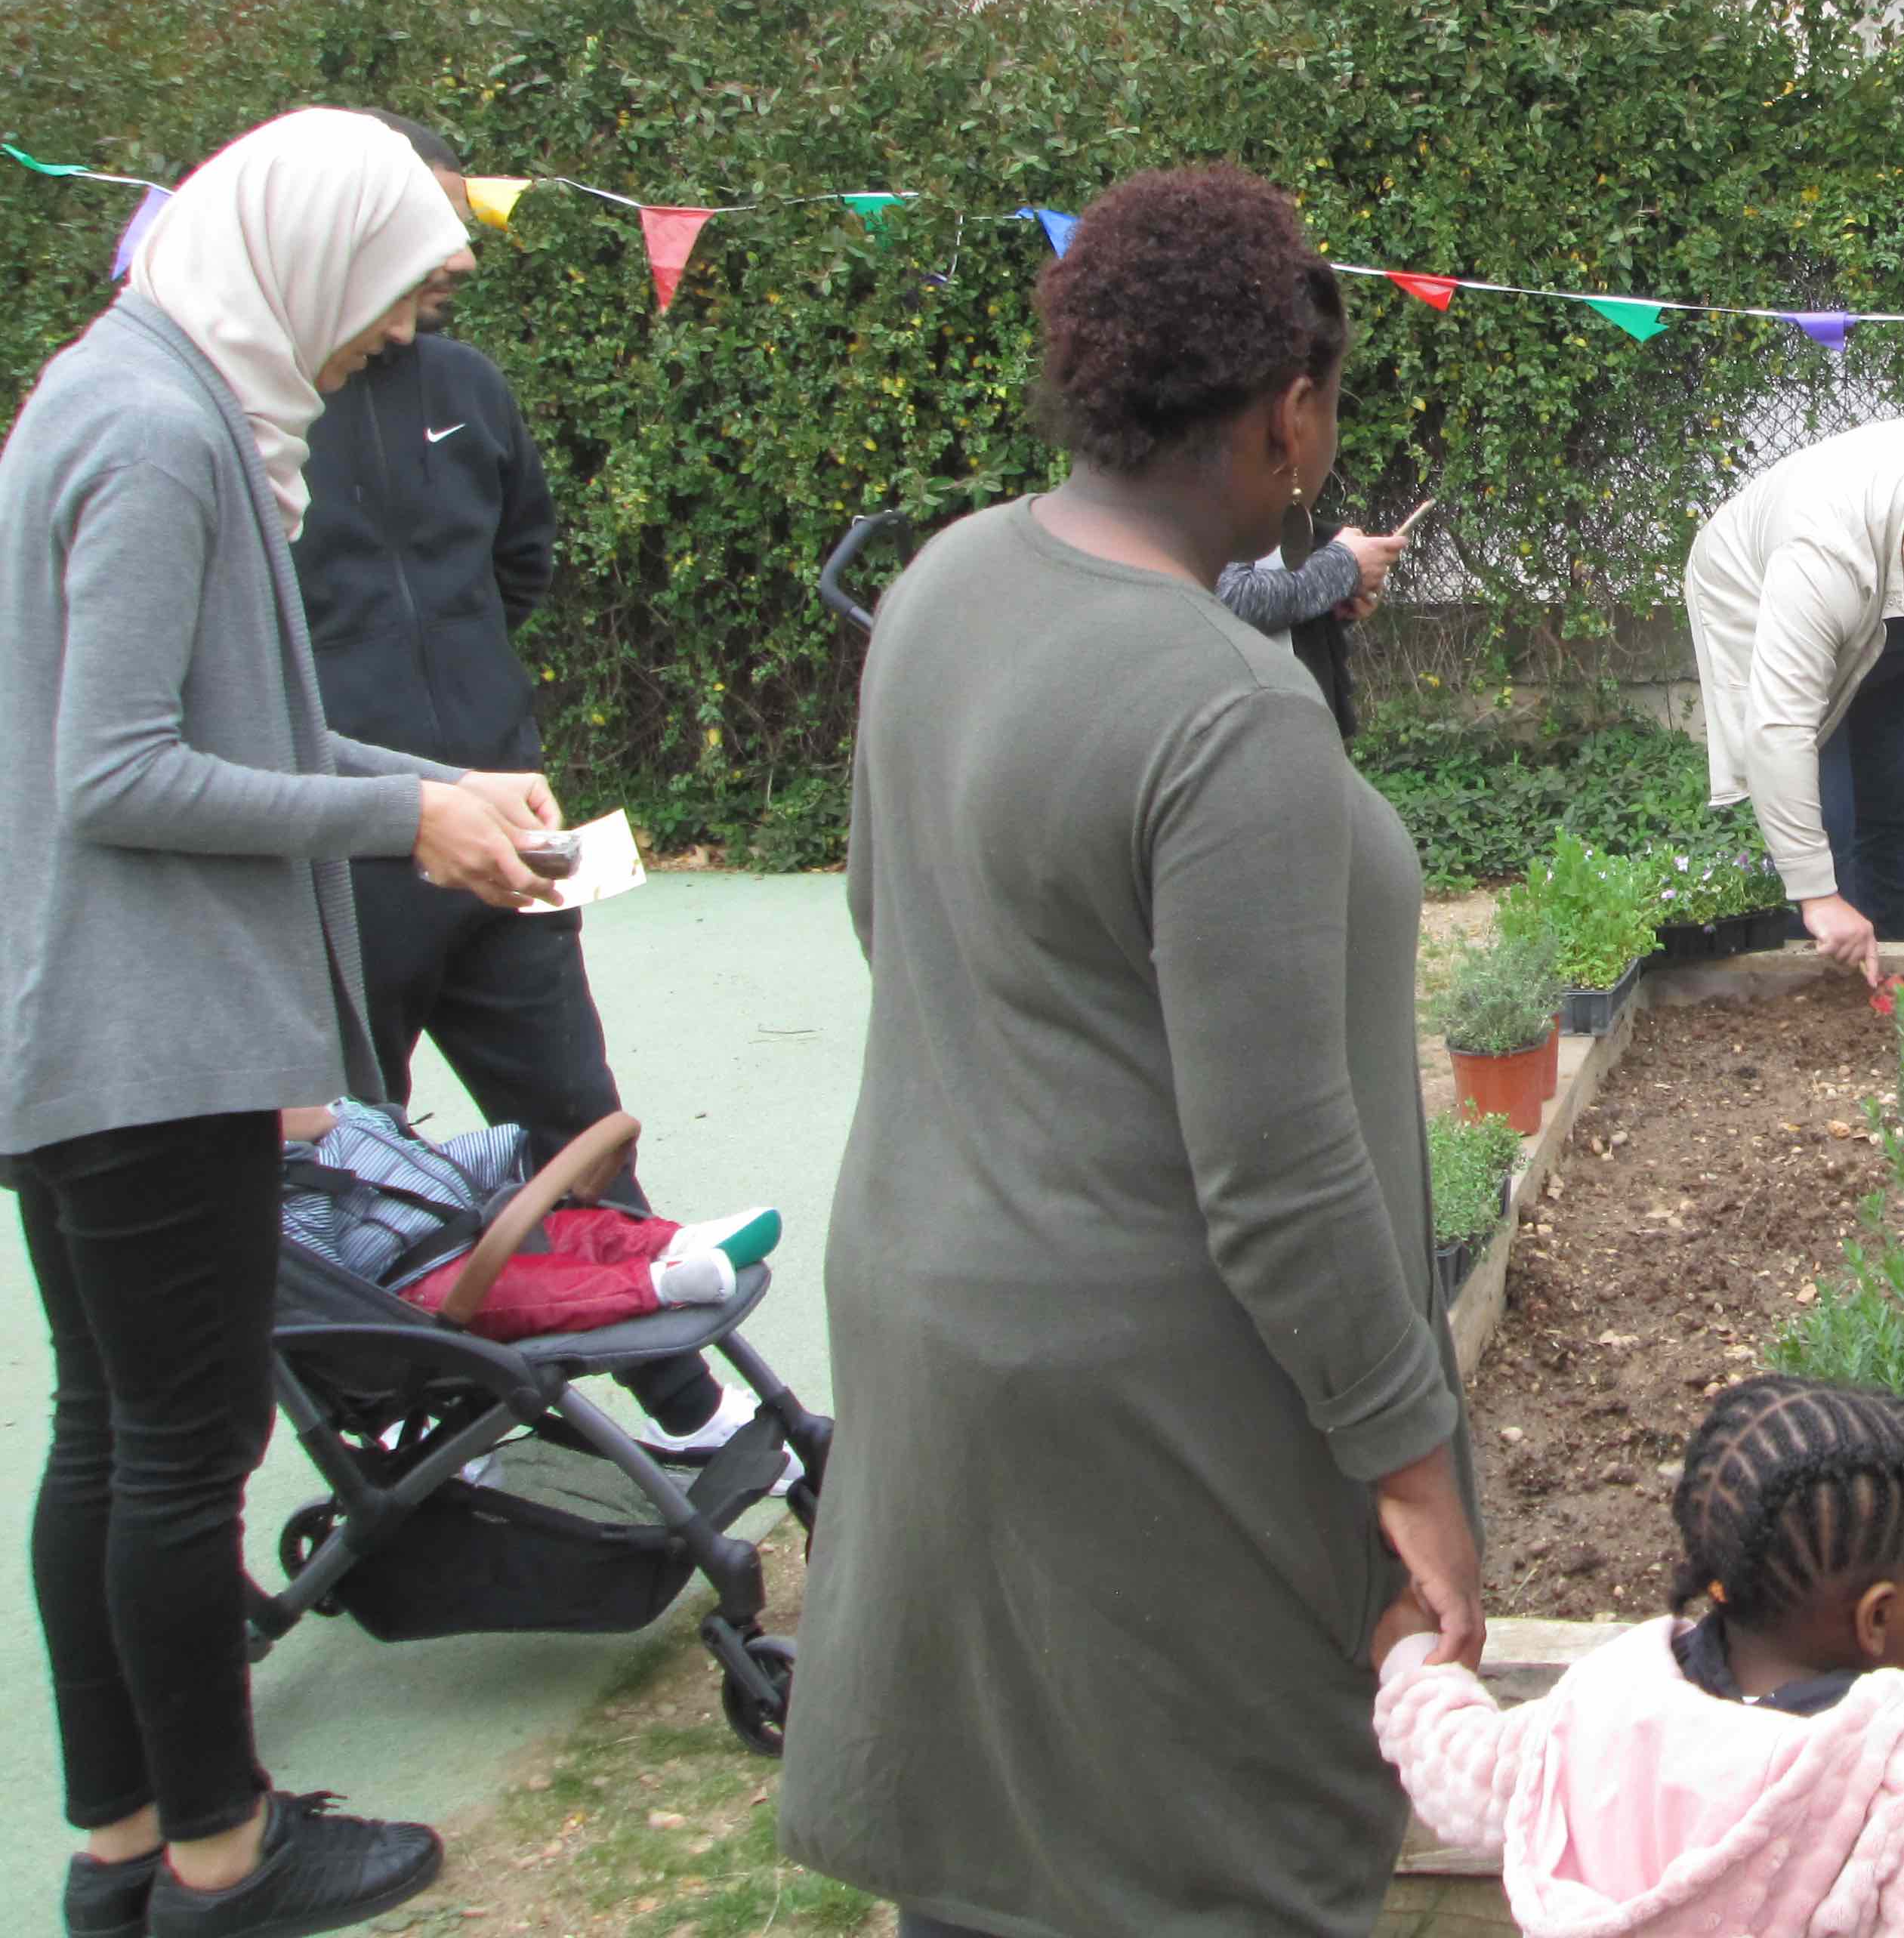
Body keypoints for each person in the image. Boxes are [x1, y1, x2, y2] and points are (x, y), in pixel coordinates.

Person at [779, 164, 1480, 1938]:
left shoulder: (947, 581)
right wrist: (1415, 1461)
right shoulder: (1225, 707)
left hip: (933, 1305)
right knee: (1207, 1856)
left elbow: (893, 919)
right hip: (1147, 1381)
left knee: (1007, 1845)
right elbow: (1279, 1173)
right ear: (1291, 411)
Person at [0, 107, 563, 1938]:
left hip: (73, 1020)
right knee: (179, 1449)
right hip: (146, 1026)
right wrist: (403, 817)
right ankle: (227, 1859)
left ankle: (123, 1846)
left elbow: (229, 723)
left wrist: (438, 785)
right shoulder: (161, 434)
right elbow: (124, 771)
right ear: (307, 251)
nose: (384, 342)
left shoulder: (120, 392)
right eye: (383, 301)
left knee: (110, 1432)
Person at [291, 110, 744, 1456]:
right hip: (335, 856)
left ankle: (683, 1402)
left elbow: (519, 563)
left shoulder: (469, 388)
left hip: (505, 835)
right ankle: (405, 1429)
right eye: (420, 232)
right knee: (345, 1168)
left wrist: (471, 723)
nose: (451, 262)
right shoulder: (258, 405)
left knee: (574, 1112)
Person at [1372, 1375, 1904, 1938]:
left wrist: (1410, 1659)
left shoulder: (1604, 1703)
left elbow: (1463, 1767)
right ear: (1879, 1617)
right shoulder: (1899, 1783)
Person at [1686, 419, 1904, 981]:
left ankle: (1894, 965)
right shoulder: (1822, 558)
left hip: (1884, 582)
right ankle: (1816, 977)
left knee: (1889, 806)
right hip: (1759, 588)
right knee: (1832, 818)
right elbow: (1781, 730)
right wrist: (1816, 892)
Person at [279, 1100, 779, 1341]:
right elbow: (323, 1287)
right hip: (418, 1287)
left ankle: (676, 1241)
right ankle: (659, 1284)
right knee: (533, 1288)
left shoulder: (353, 1119)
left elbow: (434, 1163)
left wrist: (493, 1167)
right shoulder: (284, 1184)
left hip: (471, 1228)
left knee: (575, 1230)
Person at [1215, 505, 1409, 740]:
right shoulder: (1212, 494)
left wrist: (1333, 605)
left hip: (1289, 719)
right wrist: (1343, 566)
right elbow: (1229, 601)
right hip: (1245, 730)